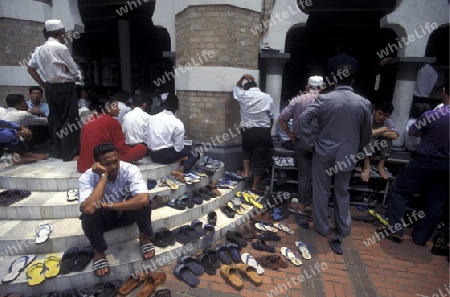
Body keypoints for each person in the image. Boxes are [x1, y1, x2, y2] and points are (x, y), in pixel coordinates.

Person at [301, 65, 372, 253]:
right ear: (353, 81)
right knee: (342, 191)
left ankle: (322, 227)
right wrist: (359, 149)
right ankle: (343, 227)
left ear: (335, 81)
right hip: (347, 153)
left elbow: (303, 120)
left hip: (323, 151)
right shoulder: (362, 103)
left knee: (321, 190)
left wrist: (310, 142)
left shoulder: (324, 98)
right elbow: (367, 133)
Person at [383, 81, 449, 245]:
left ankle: (396, 229)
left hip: (425, 161)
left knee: (399, 191)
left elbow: (412, 131)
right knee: (436, 201)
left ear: (444, 90)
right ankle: (421, 237)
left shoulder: (433, 115)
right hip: (446, 165)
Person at [78, 142, 154, 277]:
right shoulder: (87, 177)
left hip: (125, 212)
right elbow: (89, 209)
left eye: (115, 161)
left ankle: (144, 237)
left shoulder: (130, 169)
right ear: (97, 164)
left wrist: (109, 205)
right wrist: (103, 176)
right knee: (87, 215)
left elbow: (143, 199)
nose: (113, 166)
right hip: (105, 219)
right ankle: (99, 251)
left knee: (144, 204)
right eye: (107, 164)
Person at [27, 19, 80, 161]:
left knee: (55, 120)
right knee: (70, 120)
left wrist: (43, 84)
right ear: (60, 33)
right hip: (65, 87)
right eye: (63, 34)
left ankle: (60, 151)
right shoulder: (61, 48)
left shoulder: (39, 50)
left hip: (50, 87)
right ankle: (71, 153)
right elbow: (74, 70)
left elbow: (30, 69)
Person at [278, 75, 323, 214]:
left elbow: (281, 119)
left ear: (306, 87)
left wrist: (290, 134)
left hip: (301, 142)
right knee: (321, 175)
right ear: (322, 88)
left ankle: (303, 204)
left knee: (304, 175)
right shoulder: (327, 102)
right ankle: (319, 207)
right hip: (321, 144)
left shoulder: (296, 100)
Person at [77, 96, 147, 173]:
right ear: (108, 109)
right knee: (141, 148)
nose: (119, 109)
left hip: (82, 165)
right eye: (116, 107)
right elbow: (121, 149)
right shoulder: (111, 121)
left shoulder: (89, 121)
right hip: (100, 164)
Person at [233, 74, 274, 194]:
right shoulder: (267, 97)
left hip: (248, 130)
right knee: (259, 157)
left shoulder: (243, 95)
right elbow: (271, 116)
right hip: (263, 130)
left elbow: (236, 87)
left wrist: (242, 78)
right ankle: (255, 185)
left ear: (245, 87)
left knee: (246, 150)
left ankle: (246, 172)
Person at [146, 93, 199, 182]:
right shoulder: (177, 123)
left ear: (164, 105)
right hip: (167, 156)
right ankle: (181, 170)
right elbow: (178, 148)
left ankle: (180, 160)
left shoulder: (152, 118)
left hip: (153, 155)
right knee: (195, 153)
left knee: (182, 151)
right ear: (177, 106)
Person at [360, 101, 399, 181]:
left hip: (378, 149)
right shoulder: (368, 119)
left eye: (385, 115)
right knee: (370, 137)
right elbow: (367, 134)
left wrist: (377, 132)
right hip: (362, 150)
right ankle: (367, 166)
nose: (381, 117)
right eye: (379, 113)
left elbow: (395, 135)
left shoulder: (388, 121)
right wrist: (383, 129)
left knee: (387, 138)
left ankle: (381, 165)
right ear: (374, 111)